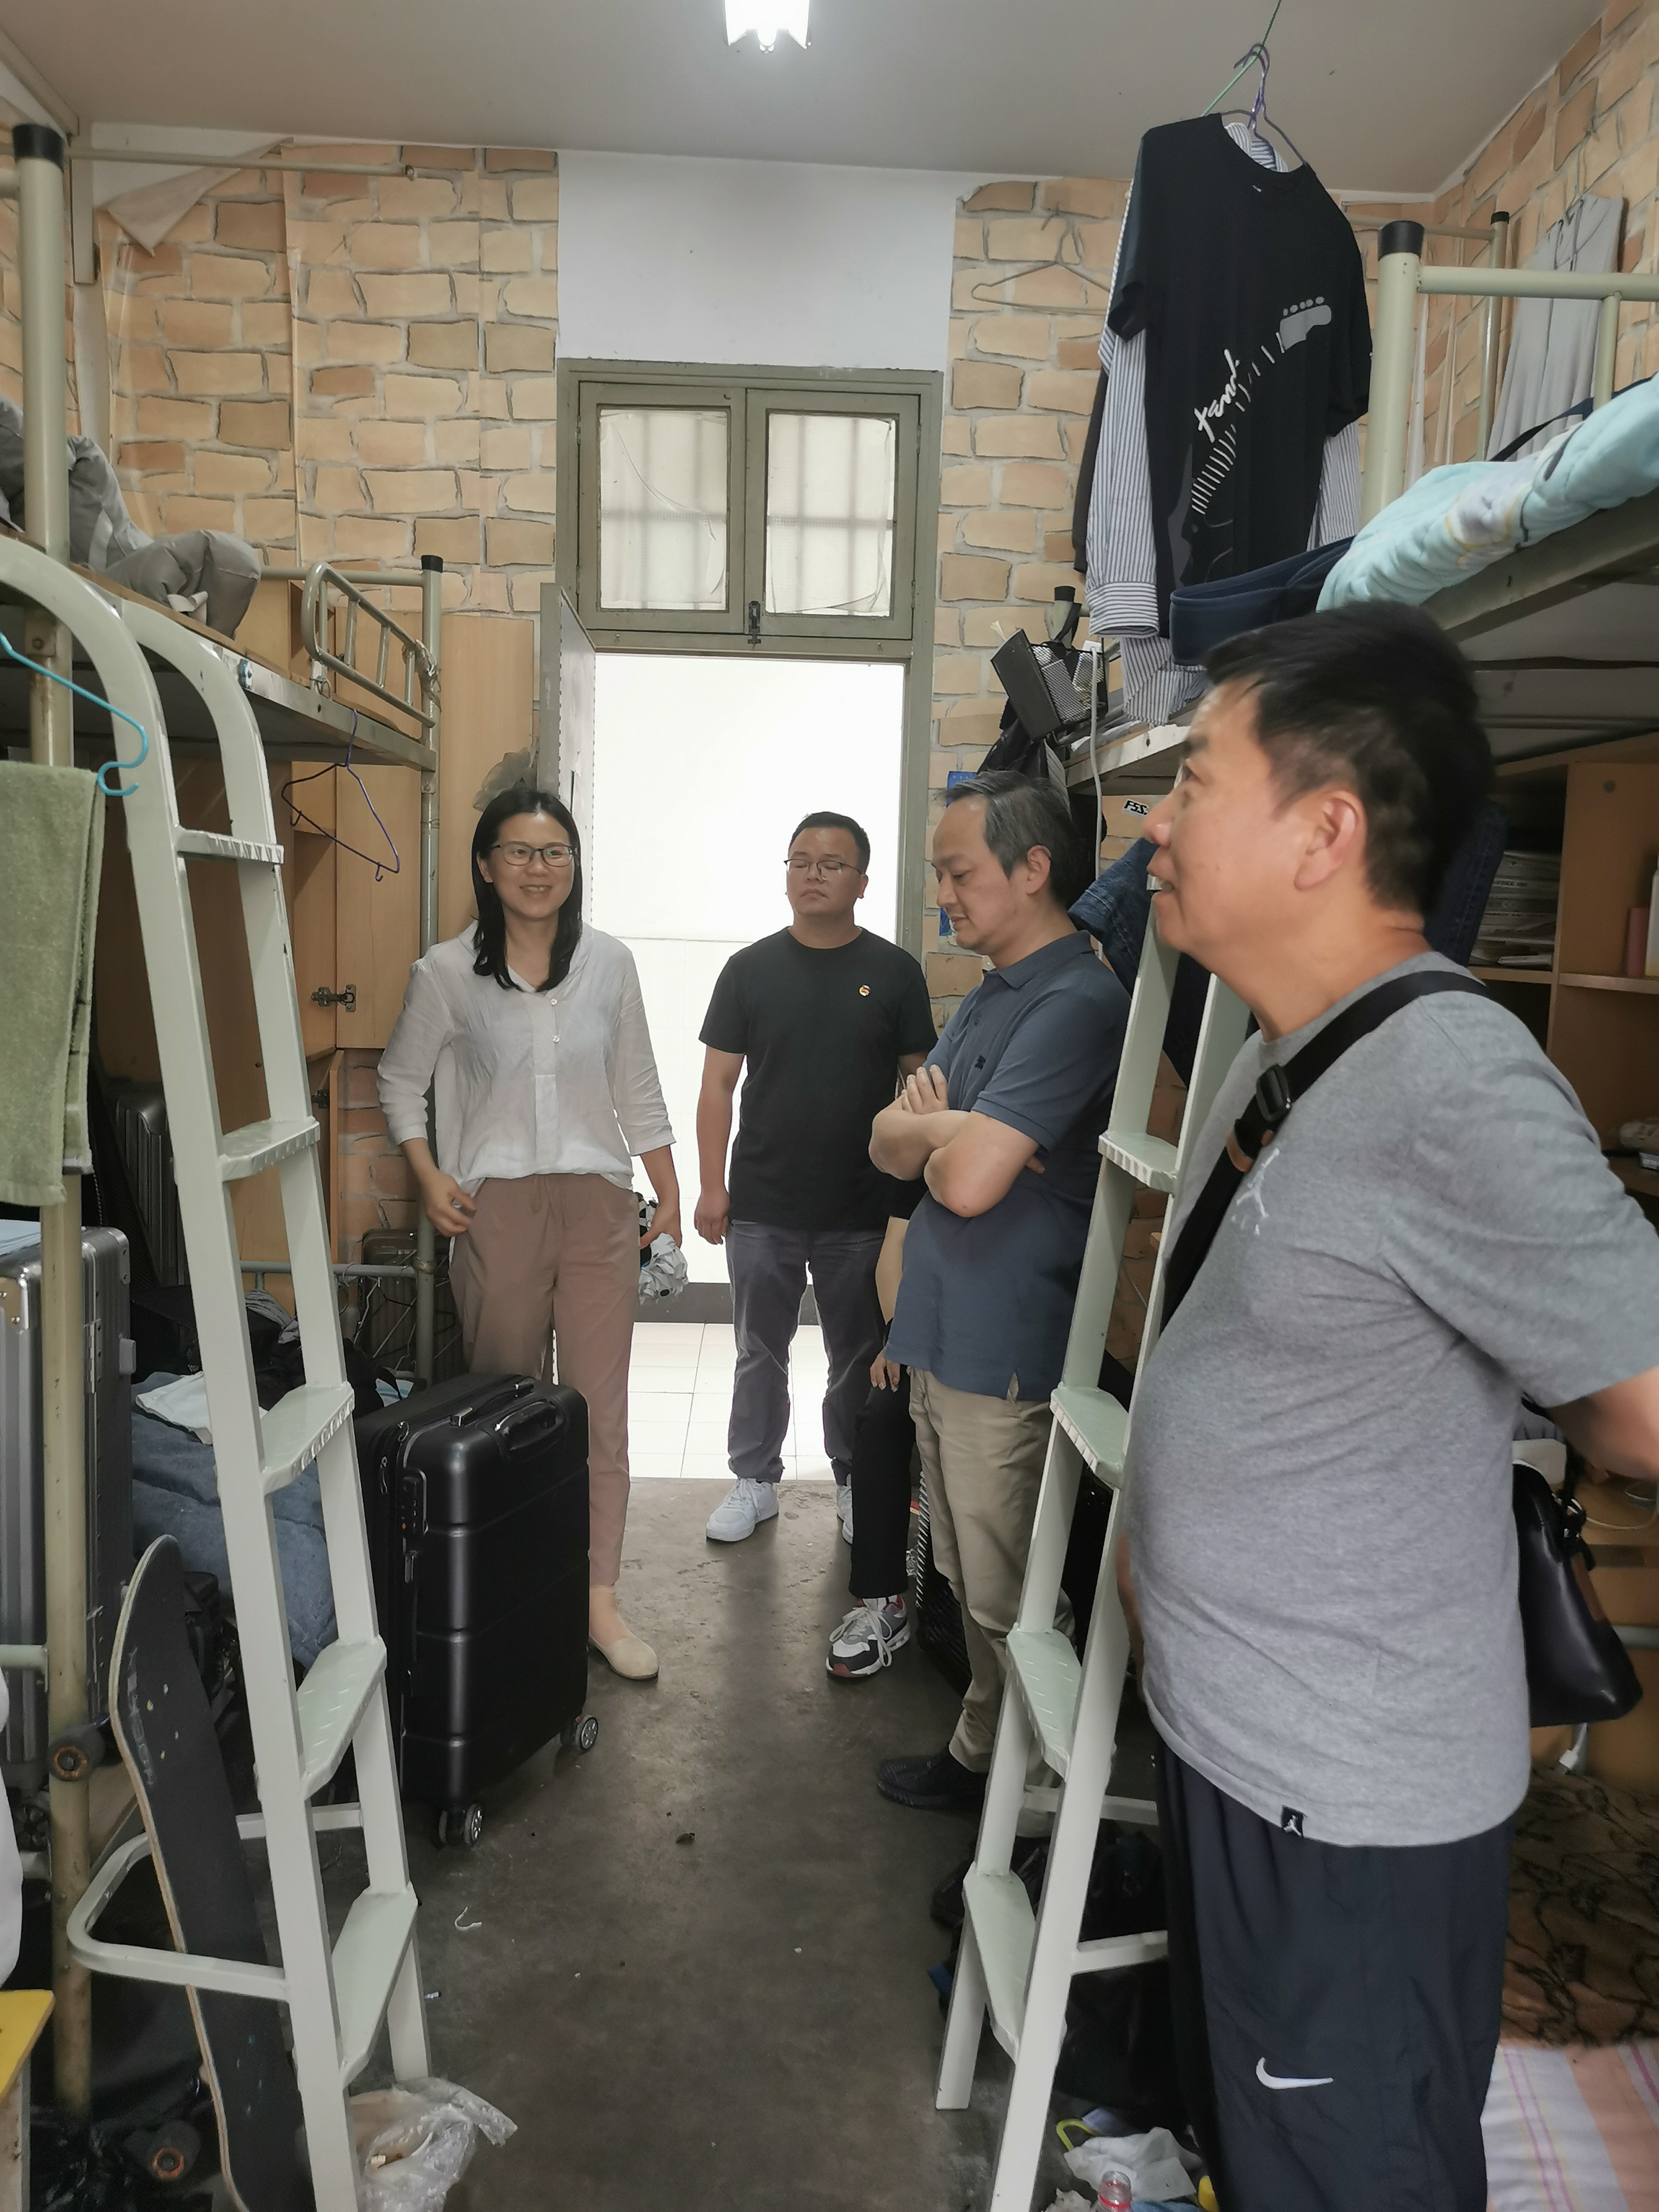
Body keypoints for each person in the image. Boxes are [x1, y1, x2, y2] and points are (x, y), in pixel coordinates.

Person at [1120, 604, 1659, 2212]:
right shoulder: (1293, 1055)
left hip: (1346, 1814)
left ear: (1324, 831)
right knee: (1266, 2161)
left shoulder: (1454, 1083)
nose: (1152, 825)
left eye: (1194, 781)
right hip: (1244, 1753)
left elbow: (1647, 1406)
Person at [377, 785, 680, 1683]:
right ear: (486, 864)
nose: (538, 869)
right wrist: (429, 1175)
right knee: (502, 1410)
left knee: (599, 1413)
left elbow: (637, 1084)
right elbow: (400, 1081)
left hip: (597, 1206)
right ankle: (509, 1591)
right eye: (518, 851)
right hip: (495, 1210)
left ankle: (596, 1601)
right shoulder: (445, 973)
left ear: (574, 865)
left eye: (554, 853)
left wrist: (670, 1185)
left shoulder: (610, 963)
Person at [870, 771, 1129, 1811]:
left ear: (1032, 869)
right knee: (966, 1577)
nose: (943, 895)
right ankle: (983, 1754)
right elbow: (887, 1144)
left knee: (1007, 1592)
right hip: (944, 1331)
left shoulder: (1076, 1003)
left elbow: (967, 1182)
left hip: (1003, 1345)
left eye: (959, 872)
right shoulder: (993, 990)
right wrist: (954, 1133)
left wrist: (945, 1135)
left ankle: (1041, 1812)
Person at [694, 811, 936, 1544]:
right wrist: (712, 1186)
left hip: (861, 1207)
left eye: (832, 864)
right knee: (757, 1351)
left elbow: (922, 1089)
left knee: (857, 1359)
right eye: (800, 861)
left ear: (862, 882)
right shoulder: (749, 970)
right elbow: (717, 1087)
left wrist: (914, 1201)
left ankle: (854, 1477)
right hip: (762, 1201)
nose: (813, 874)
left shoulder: (895, 972)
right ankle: (754, 1479)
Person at [824, 1201, 921, 1679]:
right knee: (880, 1415)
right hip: (926, 1329)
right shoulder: (929, 1167)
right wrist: (897, 1339)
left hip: (1016, 1334)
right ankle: (883, 1603)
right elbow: (894, 1250)